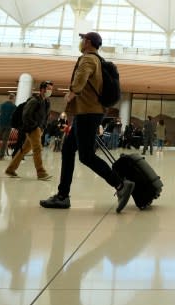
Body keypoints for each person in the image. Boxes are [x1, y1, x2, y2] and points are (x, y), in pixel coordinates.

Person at [41, 32, 135, 213]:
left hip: (88, 113)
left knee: (86, 155)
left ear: (88, 42)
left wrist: (71, 93)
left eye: (82, 39)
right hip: (88, 112)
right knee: (68, 150)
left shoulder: (88, 59)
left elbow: (81, 78)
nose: (80, 42)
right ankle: (62, 196)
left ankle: (120, 185)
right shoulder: (98, 60)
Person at [5, 81, 53, 181]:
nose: (50, 91)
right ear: (42, 89)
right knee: (37, 149)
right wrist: (34, 126)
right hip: (32, 128)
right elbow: (26, 115)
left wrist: (43, 127)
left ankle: (10, 169)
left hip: (40, 129)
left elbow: (45, 117)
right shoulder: (34, 100)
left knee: (24, 150)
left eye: (51, 89)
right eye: (48, 88)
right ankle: (41, 172)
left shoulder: (47, 102)